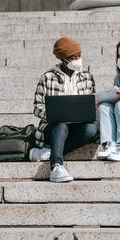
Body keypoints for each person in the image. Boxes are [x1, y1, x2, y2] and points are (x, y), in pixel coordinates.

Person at [32, 36, 98, 182]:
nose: (77, 60)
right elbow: (37, 107)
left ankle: (50, 152)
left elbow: (91, 101)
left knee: (91, 130)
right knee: (61, 125)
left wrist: (93, 107)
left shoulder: (87, 77)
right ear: (63, 59)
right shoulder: (48, 77)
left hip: (78, 126)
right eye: (72, 57)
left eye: (79, 55)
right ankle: (56, 166)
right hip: (53, 127)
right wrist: (54, 114)